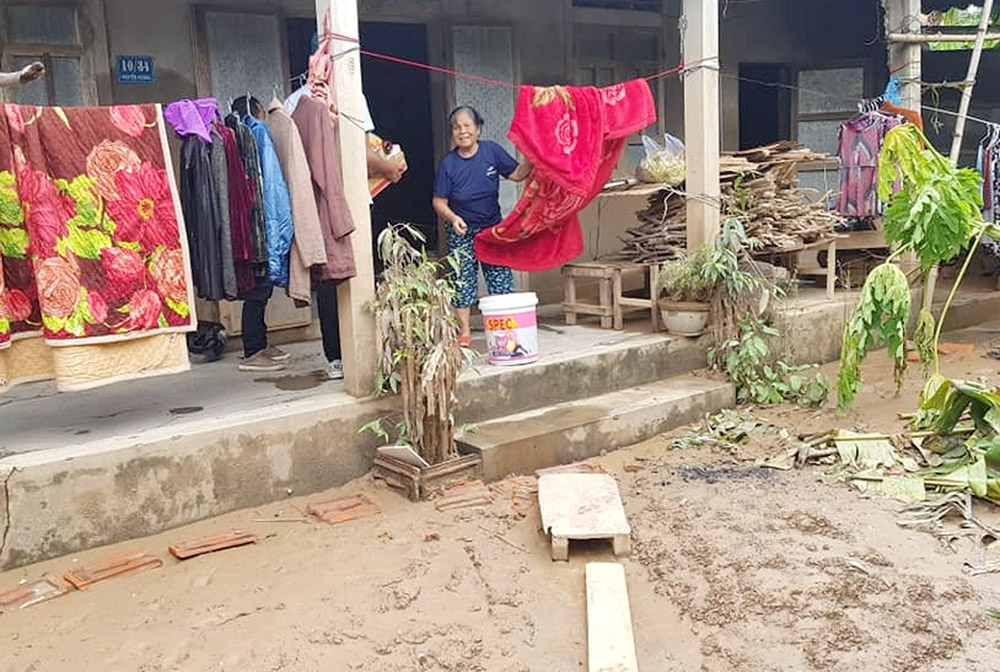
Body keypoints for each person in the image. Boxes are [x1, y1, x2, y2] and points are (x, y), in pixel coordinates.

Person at [432, 106, 532, 346]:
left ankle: (504, 326)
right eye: (457, 127)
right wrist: (453, 218)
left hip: (491, 229)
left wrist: (534, 159)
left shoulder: (491, 151)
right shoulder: (448, 164)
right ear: (452, 133)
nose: (462, 131)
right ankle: (465, 330)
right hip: (462, 230)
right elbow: (439, 201)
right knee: (462, 280)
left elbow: (517, 174)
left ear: (477, 129)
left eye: (467, 126)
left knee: (500, 278)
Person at [233, 95, 293, 372]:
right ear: (257, 112)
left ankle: (260, 341)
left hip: (251, 222)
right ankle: (252, 351)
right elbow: (271, 188)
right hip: (259, 224)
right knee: (257, 292)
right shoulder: (256, 133)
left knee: (260, 289)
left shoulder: (237, 135)